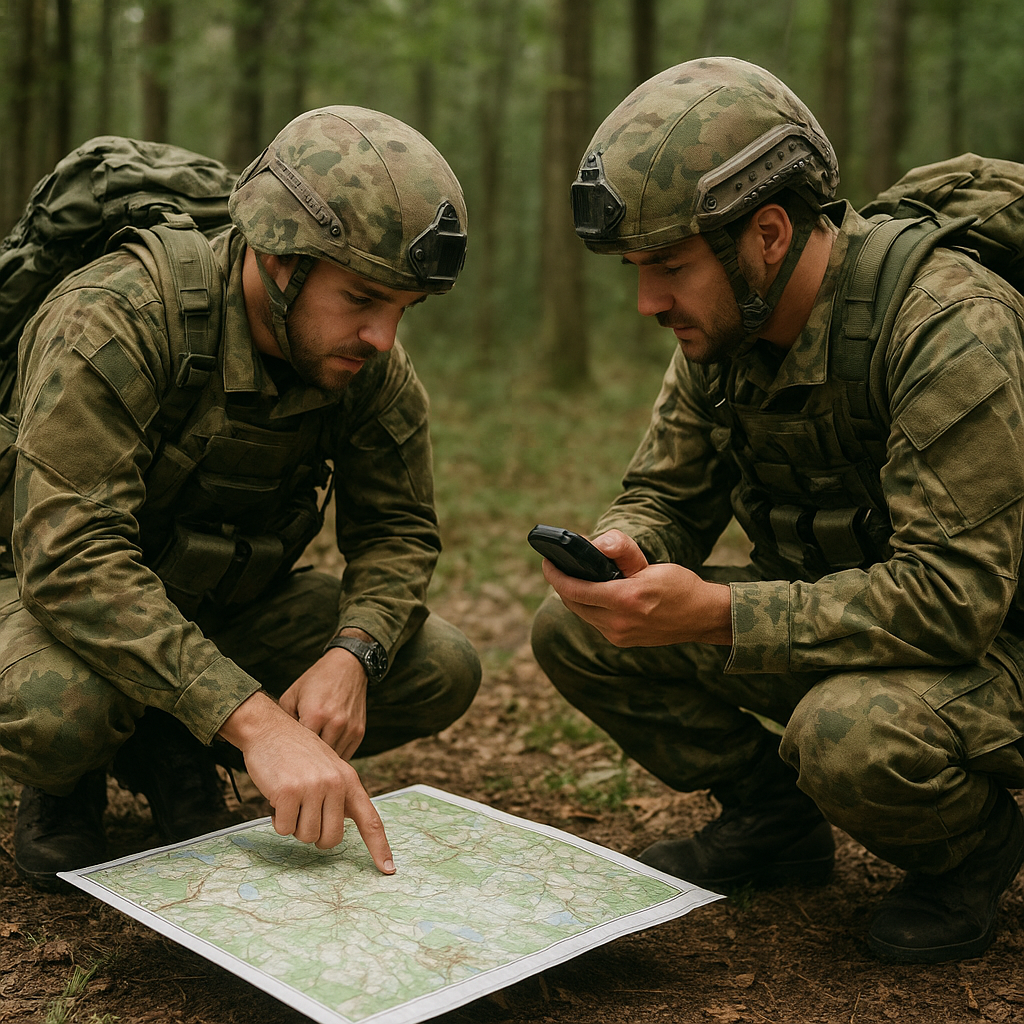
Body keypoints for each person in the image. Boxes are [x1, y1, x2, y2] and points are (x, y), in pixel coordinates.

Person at [531, 57, 1024, 964]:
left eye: (669, 267)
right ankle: (774, 823)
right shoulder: (726, 326)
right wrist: (626, 547)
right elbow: (667, 492)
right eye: (638, 271)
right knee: (577, 629)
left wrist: (719, 614)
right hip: (853, 626)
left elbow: (955, 601)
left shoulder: (948, 324)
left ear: (766, 233)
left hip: (997, 645)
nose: (648, 303)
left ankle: (976, 854)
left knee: (848, 732)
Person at [2, 106, 481, 889]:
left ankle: (174, 738)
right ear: (279, 259)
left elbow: (398, 528)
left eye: (404, 309)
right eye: (362, 298)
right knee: (64, 711)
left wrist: (352, 652)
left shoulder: (363, 365)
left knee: (438, 665)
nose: (383, 338)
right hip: (43, 600)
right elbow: (69, 559)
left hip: (213, 606)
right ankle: (70, 779)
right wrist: (259, 721)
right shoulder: (120, 316)